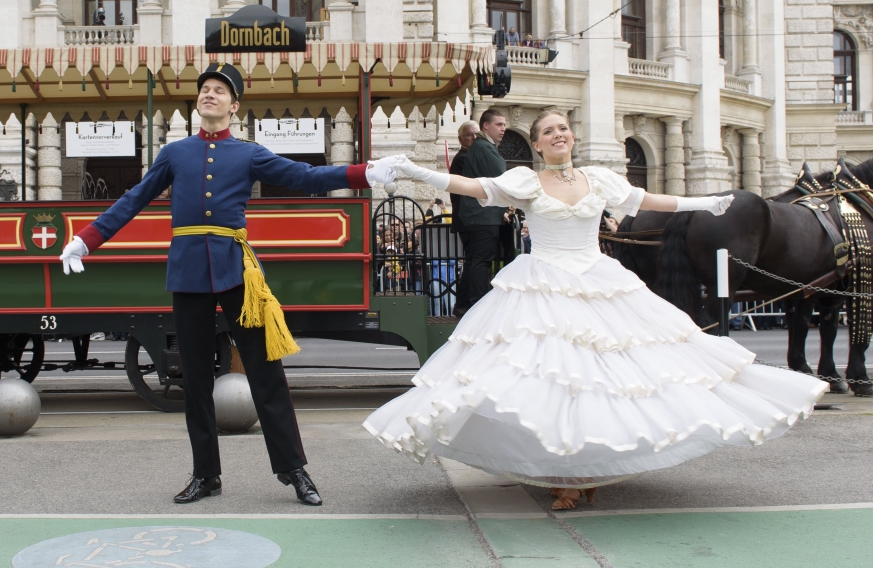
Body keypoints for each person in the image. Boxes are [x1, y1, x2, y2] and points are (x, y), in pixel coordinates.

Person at [363, 109, 828, 510]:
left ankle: (586, 467)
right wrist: (413, 171)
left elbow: (648, 201)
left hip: (599, 284)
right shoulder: (523, 181)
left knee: (610, 380)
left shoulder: (599, 179)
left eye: (563, 129)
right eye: (548, 132)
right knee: (556, 382)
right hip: (541, 285)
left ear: (571, 137)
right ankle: (565, 475)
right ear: (539, 145)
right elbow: (468, 184)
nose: (558, 135)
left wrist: (707, 203)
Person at [59, 63, 399, 506]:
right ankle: (206, 476)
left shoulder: (248, 153)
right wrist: (86, 240)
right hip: (187, 274)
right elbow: (134, 198)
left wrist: (362, 174)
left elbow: (304, 176)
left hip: (237, 273)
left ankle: (294, 469)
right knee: (195, 380)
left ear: (234, 105)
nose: (209, 94)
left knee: (266, 371)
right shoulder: (175, 154)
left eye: (219, 90)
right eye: (204, 89)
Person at [453, 109, 507, 317]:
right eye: (499, 124)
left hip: (479, 214)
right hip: (482, 215)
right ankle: (478, 306)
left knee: (475, 259)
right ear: (486, 126)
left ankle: (466, 304)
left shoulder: (481, 147)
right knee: (481, 260)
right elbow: (502, 177)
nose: (504, 129)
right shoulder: (484, 148)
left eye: (504, 125)